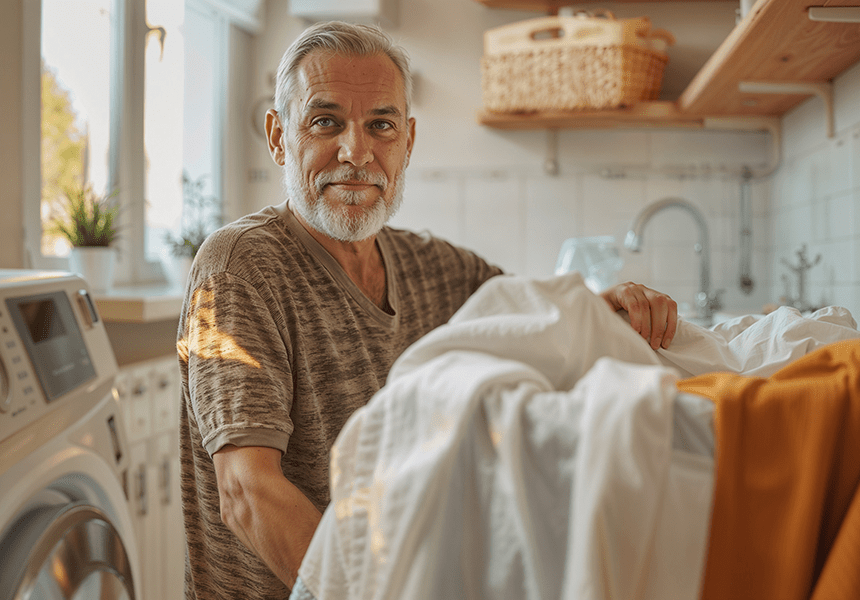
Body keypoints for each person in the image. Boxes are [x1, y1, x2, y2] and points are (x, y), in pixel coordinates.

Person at [177, 20, 679, 600]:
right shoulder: (237, 269)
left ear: (408, 142)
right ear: (278, 136)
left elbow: (538, 320)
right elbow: (246, 493)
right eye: (325, 122)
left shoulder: (433, 268)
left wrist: (611, 307)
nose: (356, 152)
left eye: (381, 125)